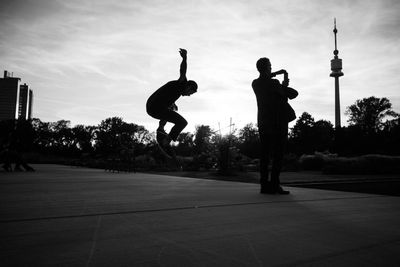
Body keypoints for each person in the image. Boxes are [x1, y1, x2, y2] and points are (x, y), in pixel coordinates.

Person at [252, 57, 298, 194]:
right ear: (266, 68)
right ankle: (275, 185)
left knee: (265, 155)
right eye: (270, 66)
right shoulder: (275, 84)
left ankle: (264, 186)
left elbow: (265, 80)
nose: (271, 68)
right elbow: (293, 94)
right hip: (278, 122)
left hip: (264, 122)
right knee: (278, 155)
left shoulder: (255, 83)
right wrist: (284, 85)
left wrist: (277, 74)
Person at [146, 48, 198, 158]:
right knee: (182, 122)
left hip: (152, 106)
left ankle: (161, 130)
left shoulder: (175, 92)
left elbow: (167, 95)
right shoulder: (181, 83)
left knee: (173, 108)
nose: (188, 95)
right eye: (190, 93)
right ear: (188, 87)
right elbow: (183, 70)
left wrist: (173, 104)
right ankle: (166, 141)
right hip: (155, 106)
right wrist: (185, 58)